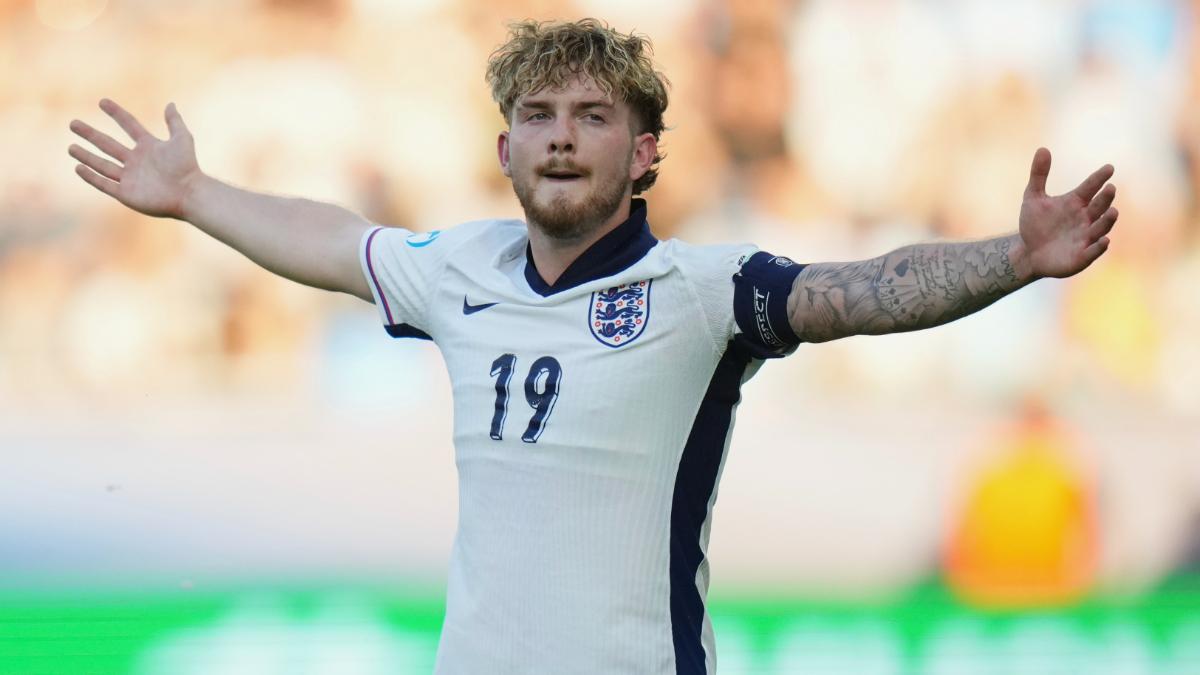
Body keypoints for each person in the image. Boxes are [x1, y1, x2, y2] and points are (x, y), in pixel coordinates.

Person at [66, 18, 1118, 675]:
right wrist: (195, 195)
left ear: (646, 151)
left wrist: (1013, 261)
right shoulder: (459, 267)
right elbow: (331, 240)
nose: (562, 134)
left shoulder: (703, 294)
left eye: (593, 115)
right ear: (505, 147)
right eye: (538, 114)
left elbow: (860, 295)